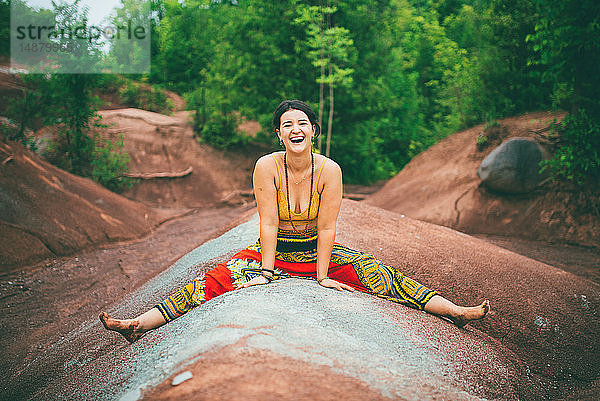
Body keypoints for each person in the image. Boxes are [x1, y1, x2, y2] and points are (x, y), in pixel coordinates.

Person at [100, 99, 489, 343]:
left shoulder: (330, 170)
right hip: (276, 252)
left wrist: (321, 276)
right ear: (279, 134)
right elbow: (267, 224)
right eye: (287, 124)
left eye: (302, 123)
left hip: (321, 252)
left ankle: (454, 311)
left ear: (314, 130)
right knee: (212, 281)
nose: (295, 129)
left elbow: (326, 228)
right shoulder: (266, 166)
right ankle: (140, 324)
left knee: (385, 278)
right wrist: (266, 270)